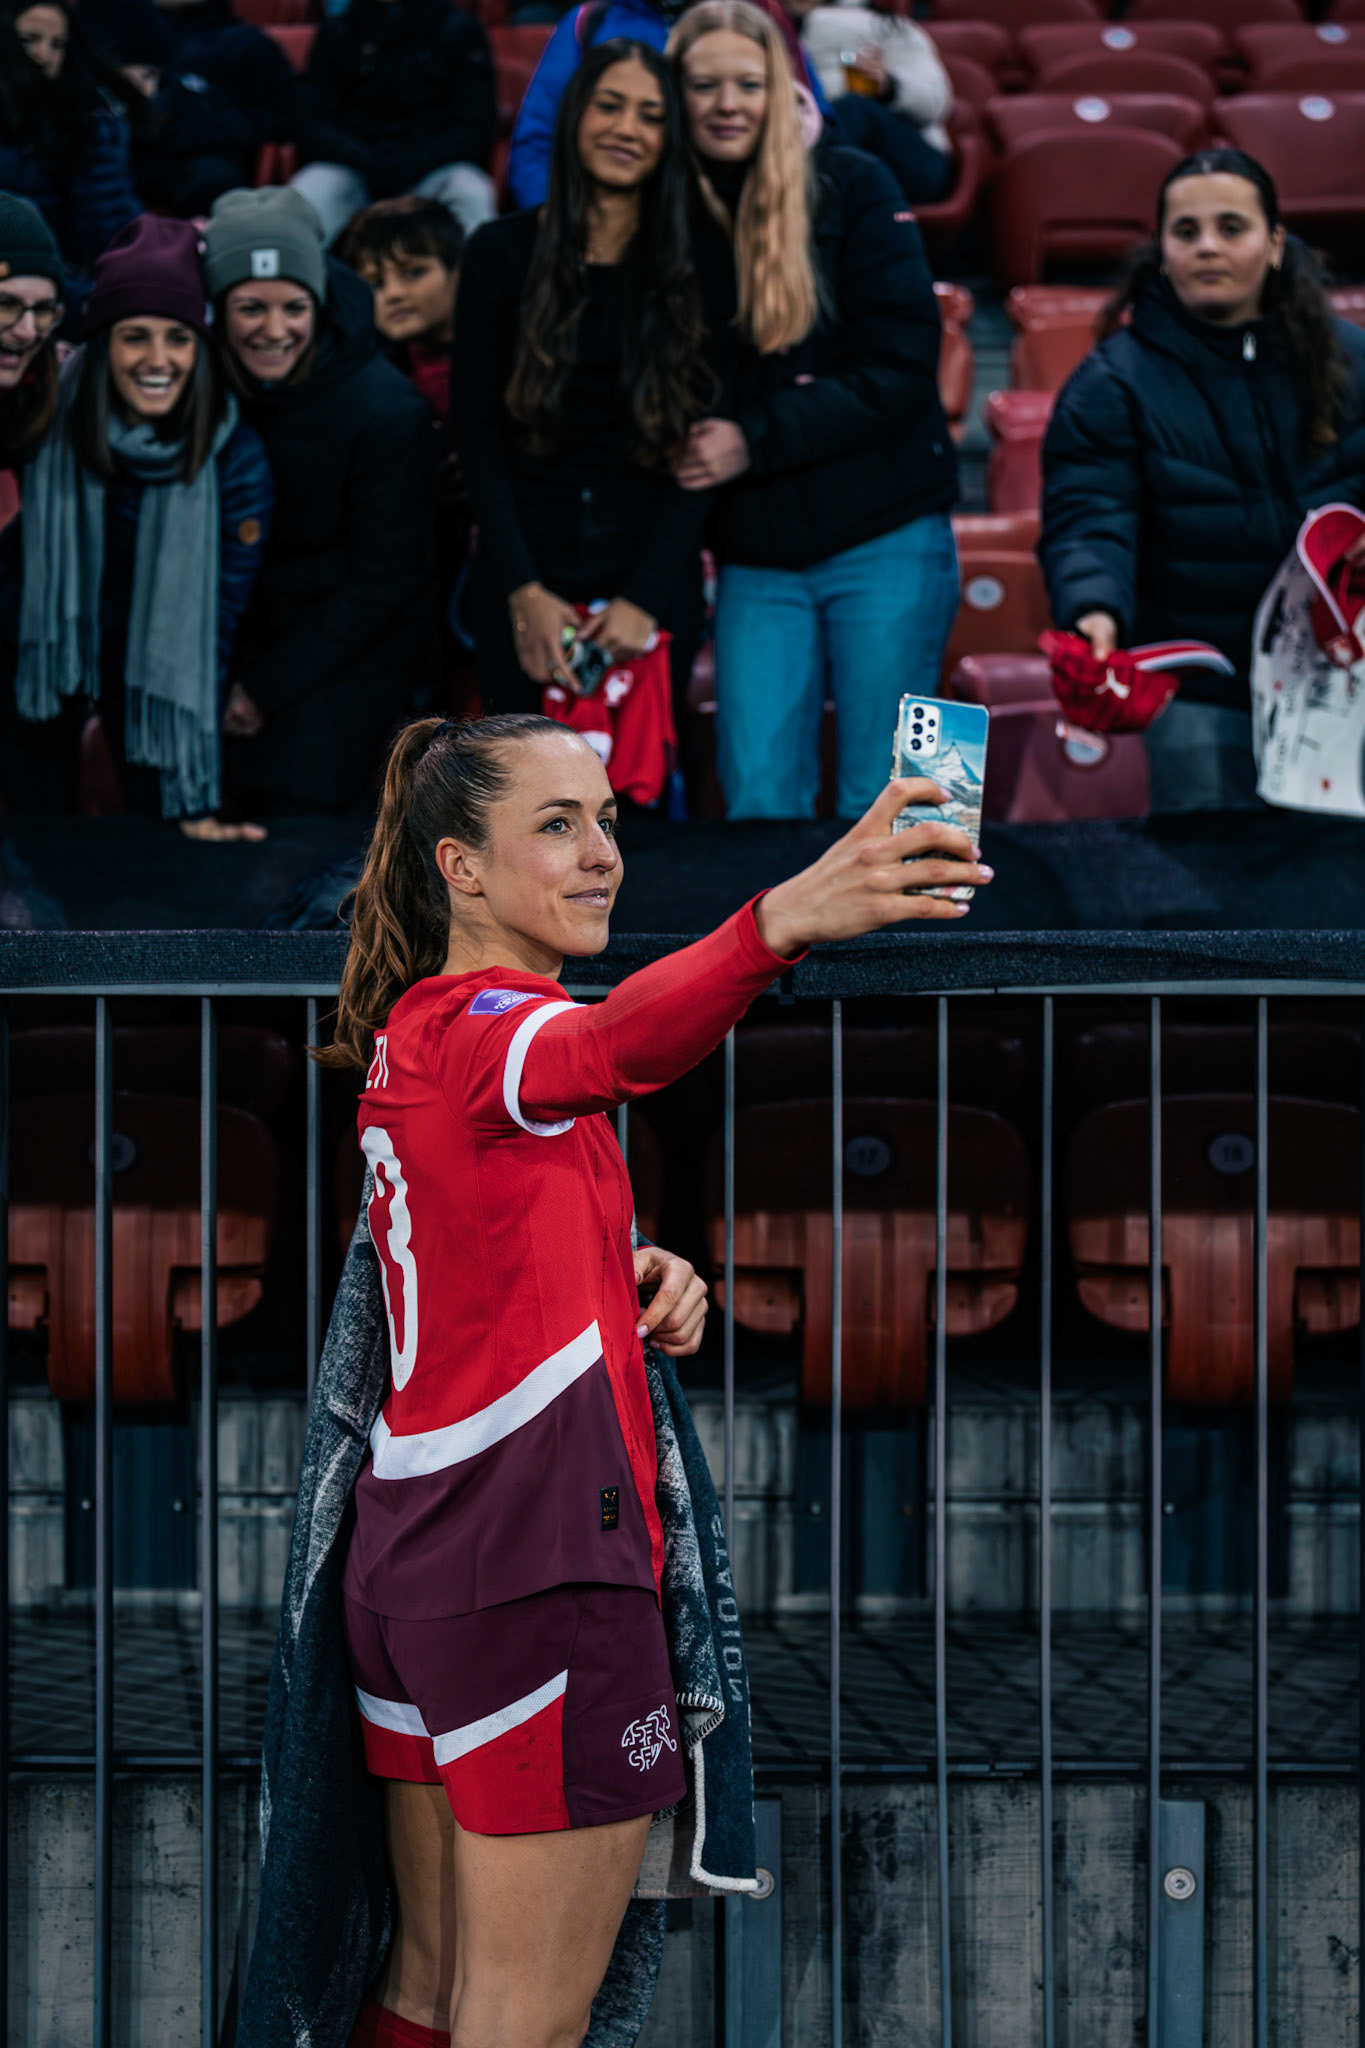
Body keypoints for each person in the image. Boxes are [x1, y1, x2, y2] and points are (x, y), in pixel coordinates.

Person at [310, 708, 992, 2044]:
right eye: (555, 826)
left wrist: (621, 1276)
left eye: (607, 819)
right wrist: (785, 918)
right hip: (536, 1568)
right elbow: (609, 1051)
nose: (599, 854)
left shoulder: (419, 1029)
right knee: (525, 2022)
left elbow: (474, 1252)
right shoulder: (494, 1032)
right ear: (459, 866)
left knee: (428, 1993)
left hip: (418, 1568)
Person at [668, 0, 958, 822]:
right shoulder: (666, 216)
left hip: (889, 534)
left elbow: (901, 365)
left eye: (749, 82)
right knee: (757, 799)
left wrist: (751, 440)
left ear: (784, 86)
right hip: (757, 554)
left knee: (901, 806)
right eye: (704, 83)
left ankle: (917, 960)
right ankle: (777, 961)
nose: (728, 102)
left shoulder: (857, 182)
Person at [1040, 148, 1365, 814]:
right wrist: (1093, 608)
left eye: (1231, 228)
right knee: (1215, 896)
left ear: (1274, 244)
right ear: (1161, 251)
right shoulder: (1111, 381)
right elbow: (1090, 512)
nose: (1207, 247)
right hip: (1200, 689)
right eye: (1185, 232)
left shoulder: (1350, 356)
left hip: (1344, 678)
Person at [450, 39, 716, 721]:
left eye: (651, 115)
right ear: (573, 117)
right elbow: (476, 434)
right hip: (522, 582)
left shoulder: (705, 267)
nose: (626, 128)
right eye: (609, 106)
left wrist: (645, 599)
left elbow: (701, 453)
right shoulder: (499, 253)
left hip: (649, 593)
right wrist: (522, 590)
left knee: (635, 814)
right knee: (521, 808)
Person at [10, 212, 273, 835]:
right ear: (104, 343)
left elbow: (217, 624)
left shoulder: (234, 456)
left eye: (178, 338)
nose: (159, 359)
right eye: (135, 337)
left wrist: (192, 797)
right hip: (45, 657)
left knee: (157, 843)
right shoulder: (46, 410)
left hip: (156, 670)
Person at [202, 186, 437, 815]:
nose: (273, 331)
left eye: (293, 308)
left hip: (344, 657)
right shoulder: (203, 377)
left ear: (320, 301)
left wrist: (262, 688)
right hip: (239, 641)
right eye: (250, 308)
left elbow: (386, 581)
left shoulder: (384, 410)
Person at [506, 0, 822, 212]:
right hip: (607, 223)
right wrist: (562, 228)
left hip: (735, 222)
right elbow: (537, 141)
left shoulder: (752, 19)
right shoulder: (589, 22)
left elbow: (814, 124)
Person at [289, 0, 496, 247]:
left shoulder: (458, 28)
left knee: (470, 192)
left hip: (432, 167)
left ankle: (477, 284)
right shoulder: (338, 31)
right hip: (353, 166)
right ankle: (294, 283)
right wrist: (361, 157)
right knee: (307, 194)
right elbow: (312, 119)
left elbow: (475, 124)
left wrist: (417, 159)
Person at [0, 0, 140, 292]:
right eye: (29, 40)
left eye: (58, 45)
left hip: (57, 285)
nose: (44, 55)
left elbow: (108, 226)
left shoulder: (86, 122)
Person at [788, 0, 954, 205]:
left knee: (853, 108)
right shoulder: (773, 31)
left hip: (915, 165)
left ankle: (802, 198)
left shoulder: (887, 26)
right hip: (839, 165)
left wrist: (889, 86)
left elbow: (936, 102)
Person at [335, 193, 462, 427]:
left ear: (457, 272)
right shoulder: (369, 372)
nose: (393, 294)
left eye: (413, 273)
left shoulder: (501, 359)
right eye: (375, 284)